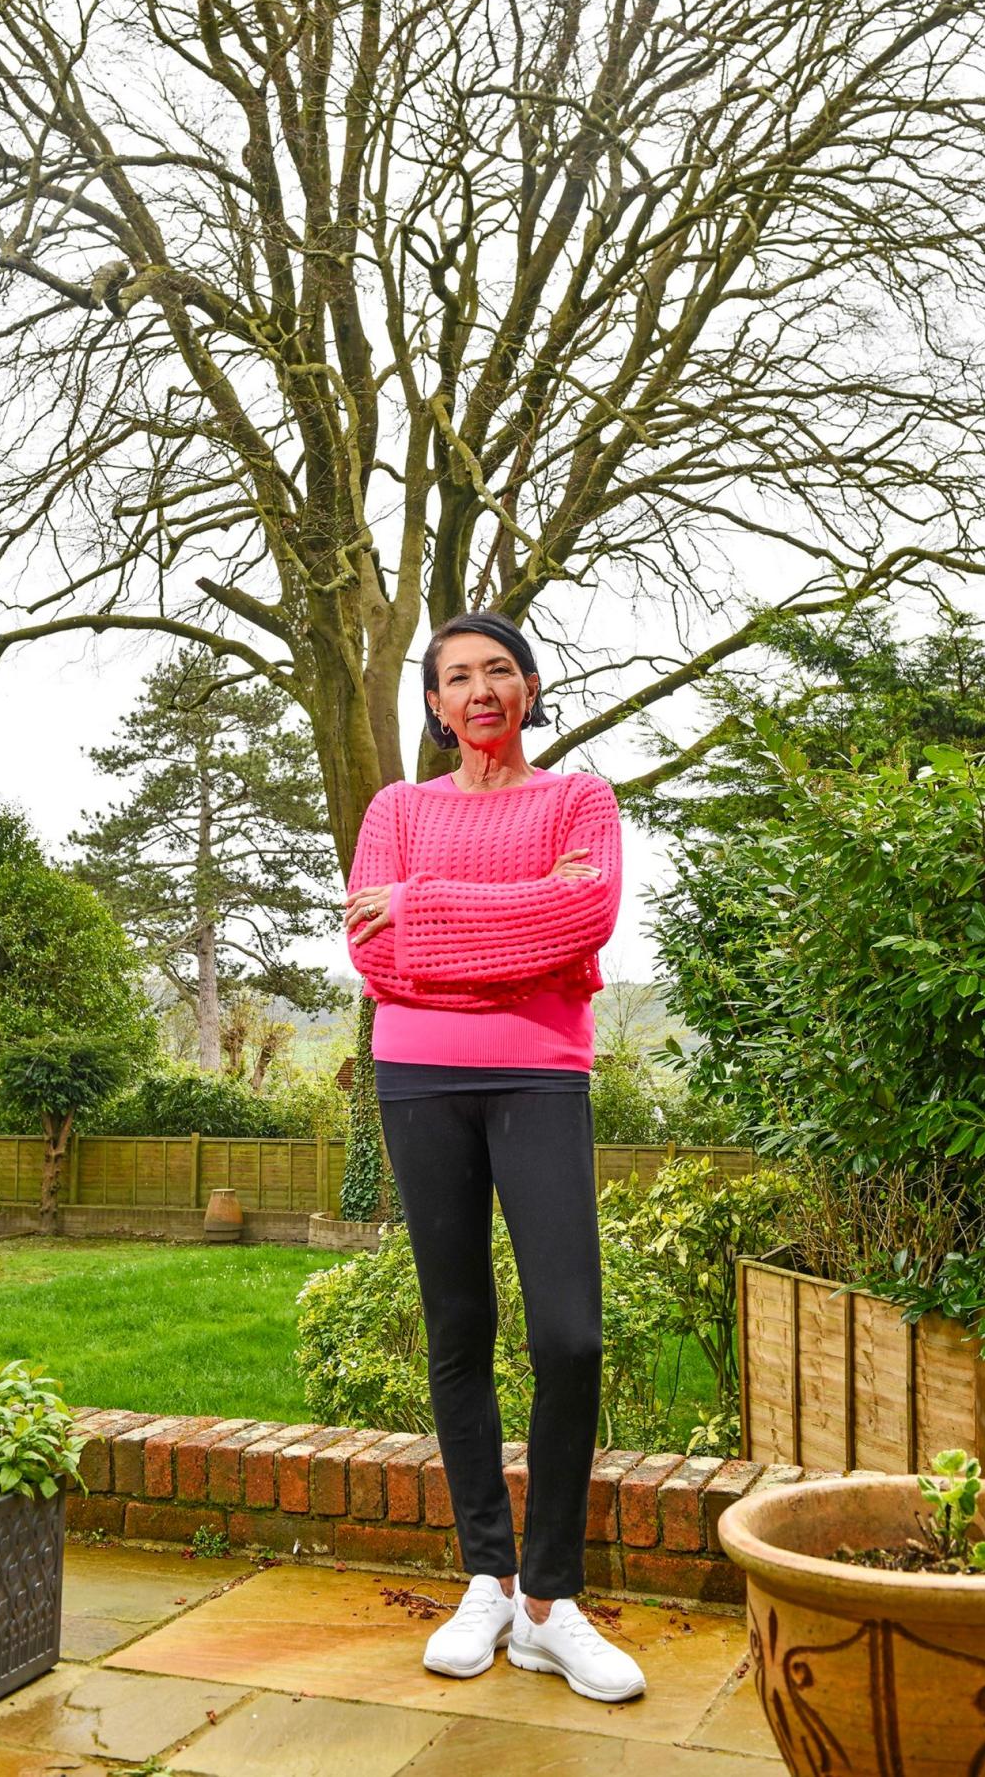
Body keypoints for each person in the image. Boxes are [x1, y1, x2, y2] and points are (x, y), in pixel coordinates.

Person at [341, 610, 646, 1705]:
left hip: (540, 1073)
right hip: (417, 1076)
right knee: (458, 1327)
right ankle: (489, 1573)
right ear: (432, 703)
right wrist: (507, 936)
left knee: (569, 1333)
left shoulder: (579, 800)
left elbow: (586, 912)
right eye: (456, 676)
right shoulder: (396, 808)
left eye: (499, 671)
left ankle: (552, 1605)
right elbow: (372, 953)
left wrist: (427, 910)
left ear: (527, 688)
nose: (479, 690)